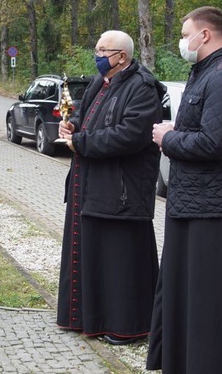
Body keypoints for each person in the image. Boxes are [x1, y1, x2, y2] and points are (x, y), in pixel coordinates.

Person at [147, 6, 222, 372]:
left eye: (185, 35)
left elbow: (213, 144)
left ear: (205, 35)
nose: (183, 41)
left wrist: (168, 138)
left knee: (209, 301)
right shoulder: (205, 72)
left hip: (214, 213)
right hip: (194, 205)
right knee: (187, 296)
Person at [56, 30, 165, 345]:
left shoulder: (142, 88)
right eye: (97, 49)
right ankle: (83, 318)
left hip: (122, 191)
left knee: (120, 263)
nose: (98, 55)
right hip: (89, 185)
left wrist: (81, 142)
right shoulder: (98, 82)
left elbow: (131, 134)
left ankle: (126, 327)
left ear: (122, 56)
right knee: (90, 255)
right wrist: (73, 125)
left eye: (104, 50)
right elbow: (84, 114)